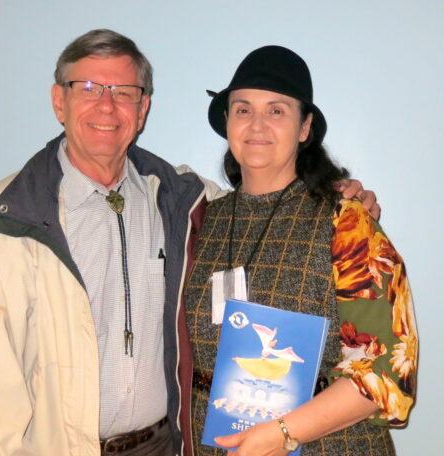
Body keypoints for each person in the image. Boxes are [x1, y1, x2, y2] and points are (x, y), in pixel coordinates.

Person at [0, 30, 380, 456]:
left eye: (124, 91)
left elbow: (383, 371)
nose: (107, 105)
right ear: (59, 101)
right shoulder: (8, 220)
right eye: (90, 87)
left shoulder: (181, 202)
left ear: (143, 107)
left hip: (168, 444)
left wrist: (340, 205)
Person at [179, 46, 418, 455]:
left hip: (329, 444)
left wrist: (283, 435)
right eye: (242, 109)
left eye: (277, 111)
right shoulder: (201, 221)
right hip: (217, 442)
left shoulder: (346, 224)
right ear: (227, 121)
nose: (257, 124)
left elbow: (389, 370)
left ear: (304, 128)